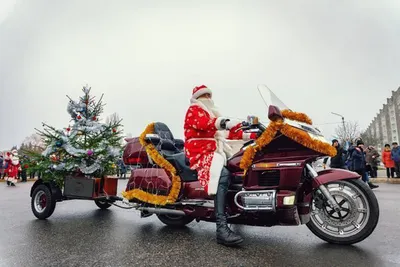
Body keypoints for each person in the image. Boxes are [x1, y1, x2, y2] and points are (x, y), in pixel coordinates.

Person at [184, 85, 258, 246]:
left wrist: (254, 135)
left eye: (209, 95)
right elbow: (204, 124)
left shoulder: (212, 113)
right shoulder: (194, 111)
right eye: (204, 95)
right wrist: (224, 122)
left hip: (215, 150)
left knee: (236, 167)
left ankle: (237, 210)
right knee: (222, 174)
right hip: (199, 152)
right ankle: (221, 229)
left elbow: (228, 132)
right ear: (197, 98)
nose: (208, 98)